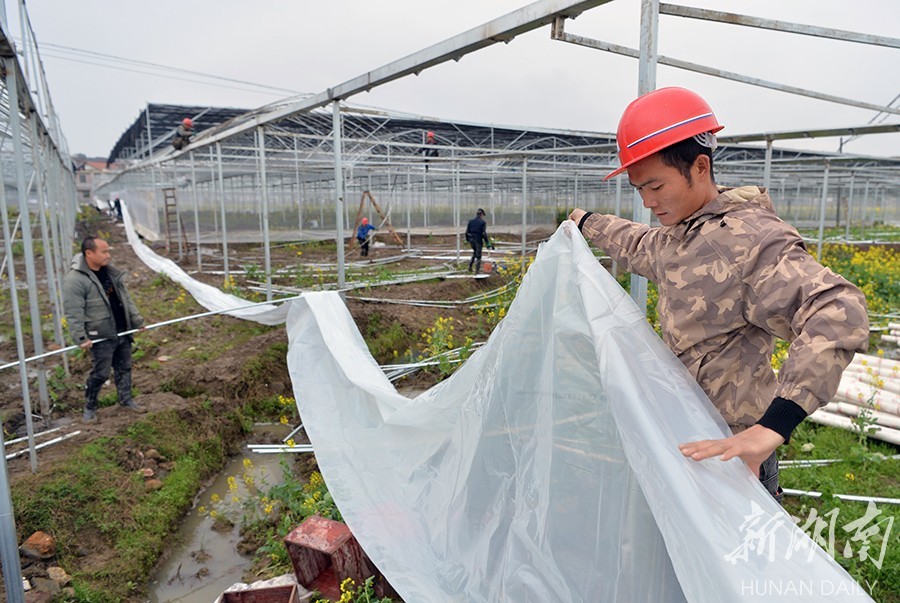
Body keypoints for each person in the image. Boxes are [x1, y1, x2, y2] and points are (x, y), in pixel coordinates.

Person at [568, 87, 869, 503]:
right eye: (639, 189)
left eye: (655, 185)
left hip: (735, 452)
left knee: (741, 563)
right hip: (689, 435)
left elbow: (837, 309)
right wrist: (586, 222)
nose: (647, 201)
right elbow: (641, 246)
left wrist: (774, 425)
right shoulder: (683, 235)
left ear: (700, 166)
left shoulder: (750, 241)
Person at [63, 236, 147, 422]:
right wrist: (80, 337)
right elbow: (73, 311)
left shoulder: (107, 274)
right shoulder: (76, 280)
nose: (108, 255)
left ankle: (126, 400)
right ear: (89, 253)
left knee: (124, 367)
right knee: (100, 373)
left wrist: (136, 321)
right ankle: (90, 408)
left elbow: (124, 300)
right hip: (100, 335)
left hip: (121, 330)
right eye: (104, 251)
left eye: (109, 251)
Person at [465, 208, 494, 274]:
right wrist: (487, 243)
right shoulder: (482, 223)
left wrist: (467, 239)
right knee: (478, 256)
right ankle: (477, 271)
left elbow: (467, 232)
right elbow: (483, 233)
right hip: (478, 240)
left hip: (471, 240)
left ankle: (470, 267)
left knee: (475, 252)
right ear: (481, 215)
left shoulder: (471, 221)